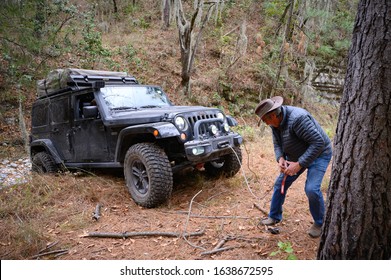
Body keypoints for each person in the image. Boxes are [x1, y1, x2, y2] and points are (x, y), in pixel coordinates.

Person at [254, 96, 332, 238]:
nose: (266, 124)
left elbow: (318, 143)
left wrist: (300, 164)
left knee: (311, 189)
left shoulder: (298, 119)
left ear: (273, 115)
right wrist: (281, 158)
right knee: (280, 184)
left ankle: (320, 223)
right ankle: (274, 216)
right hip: (297, 154)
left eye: (265, 120)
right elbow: (277, 144)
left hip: (320, 153)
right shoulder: (275, 124)